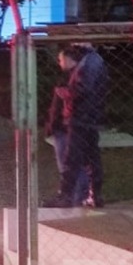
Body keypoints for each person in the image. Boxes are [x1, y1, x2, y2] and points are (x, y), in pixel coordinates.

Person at [44, 43, 108, 208]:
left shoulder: (89, 63)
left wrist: (65, 93)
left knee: (72, 159)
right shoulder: (93, 61)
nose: (60, 63)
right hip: (88, 118)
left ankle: (66, 196)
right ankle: (94, 195)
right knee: (90, 159)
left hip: (81, 118)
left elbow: (82, 89)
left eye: (60, 59)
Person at [44, 47, 89, 206]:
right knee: (68, 166)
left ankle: (76, 199)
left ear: (70, 60)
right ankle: (70, 197)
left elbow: (77, 100)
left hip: (68, 129)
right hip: (63, 128)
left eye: (61, 59)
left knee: (69, 166)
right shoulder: (69, 77)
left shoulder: (77, 77)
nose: (59, 62)